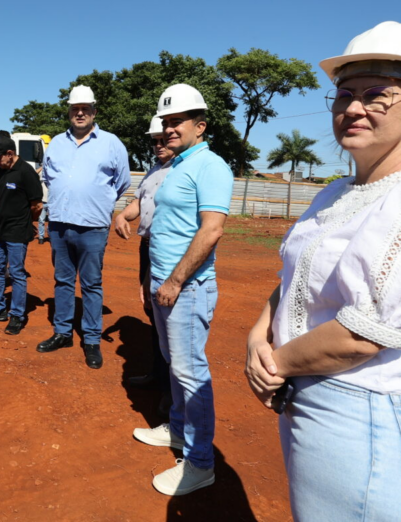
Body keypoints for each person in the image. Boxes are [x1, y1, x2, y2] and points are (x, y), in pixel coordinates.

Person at [245, 21, 401, 520]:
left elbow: (362, 335)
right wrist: (256, 336)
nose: (353, 108)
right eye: (345, 95)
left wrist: (275, 365)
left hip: (364, 411)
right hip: (313, 392)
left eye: (378, 96)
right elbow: (295, 279)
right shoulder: (336, 192)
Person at [131, 86, 233, 496]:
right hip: (164, 283)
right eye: (167, 122)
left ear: (200, 125)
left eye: (178, 122)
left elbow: (212, 230)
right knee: (175, 365)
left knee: (191, 373)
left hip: (187, 288)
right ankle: (177, 428)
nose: (169, 129)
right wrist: (153, 279)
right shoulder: (178, 165)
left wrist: (174, 281)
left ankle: (200, 463)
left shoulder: (210, 166)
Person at [37, 85, 131, 369]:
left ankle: (91, 339)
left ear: (94, 112)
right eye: (75, 109)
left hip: (92, 227)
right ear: (69, 111)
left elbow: (122, 181)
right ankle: (63, 333)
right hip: (59, 225)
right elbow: (49, 177)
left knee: (91, 284)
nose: (80, 113)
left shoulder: (111, 143)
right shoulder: (56, 143)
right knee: (63, 281)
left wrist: (97, 200)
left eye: (85, 109)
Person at [114, 116, 174, 397]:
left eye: (163, 140)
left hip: (168, 249)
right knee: (151, 309)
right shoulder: (154, 171)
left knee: (168, 314)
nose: (159, 145)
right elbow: (141, 201)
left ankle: (170, 389)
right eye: (155, 141)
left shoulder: (181, 170)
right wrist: (122, 215)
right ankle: (158, 373)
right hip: (147, 247)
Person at [0, 134, 43, 334]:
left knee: (16, 273)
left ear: (10, 153)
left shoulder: (26, 172)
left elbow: (37, 205)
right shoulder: (2, 171)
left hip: (17, 231)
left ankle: (17, 315)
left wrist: (27, 222)